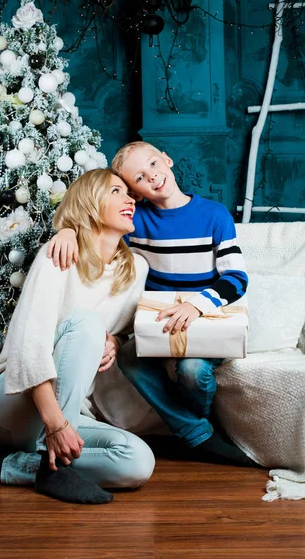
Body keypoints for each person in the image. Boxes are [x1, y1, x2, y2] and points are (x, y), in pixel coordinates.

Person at [0, 168, 156, 504]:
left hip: (66, 415)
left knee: (137, 462)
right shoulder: (59, 254)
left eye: (130, 193)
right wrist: (55, 426)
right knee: (87, 323)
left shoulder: (135, 269)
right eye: (116, 191)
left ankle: (8, 467)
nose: (130, 200)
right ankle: (56, 469)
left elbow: (123, 332)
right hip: (10, 401)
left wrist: (114, 341)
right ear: (90, 203)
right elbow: (28, 346)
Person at [48, 142, 257, 467]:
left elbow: (237, 278)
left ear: (167, 159)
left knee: (192, 370)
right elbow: (93, 226)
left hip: (205, 322)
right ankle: (199, 436)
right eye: (141, 178)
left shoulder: (214, 215)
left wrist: (197, 305)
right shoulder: (135, 221)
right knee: (129, 360)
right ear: (137, 193)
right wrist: (65, 232)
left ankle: (194, 435)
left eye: (154, 165)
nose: (154, 177)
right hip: (157, 325)